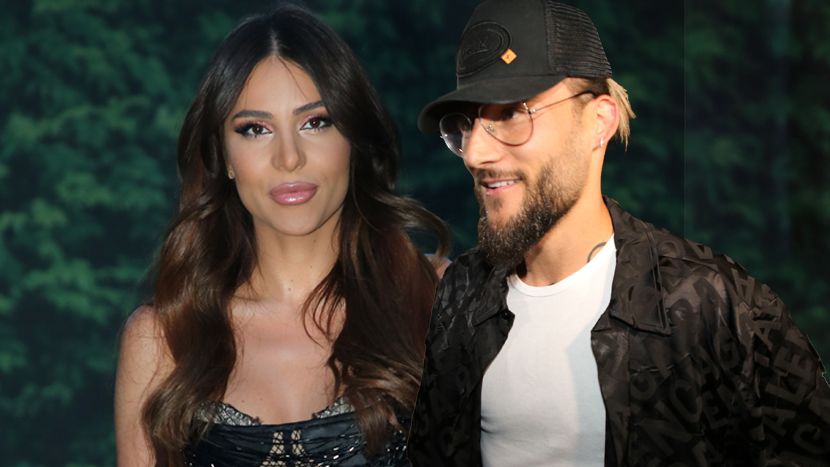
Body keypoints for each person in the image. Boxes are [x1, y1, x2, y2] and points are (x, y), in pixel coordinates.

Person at [407, 1, 830, 466]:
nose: (475, 154)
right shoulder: (462, 293)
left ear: (598, 122)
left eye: (511, 114)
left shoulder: (710, 302)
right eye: (466, 125)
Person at [114, 5, 449, 466]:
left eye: (316, 122)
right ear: (224, 158)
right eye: (255, 129)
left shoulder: (437, 300)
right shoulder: (162, 340)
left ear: (353, 139)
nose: (288, 158)